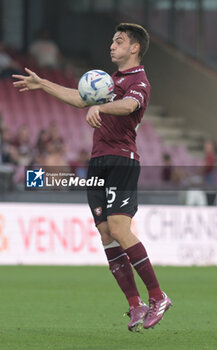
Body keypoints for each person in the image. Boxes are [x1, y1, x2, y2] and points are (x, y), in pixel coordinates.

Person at [12, 23, 172, 332]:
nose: (112, 46)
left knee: (119, 228)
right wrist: (43, 83)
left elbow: (130, 105)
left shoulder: (139, 80)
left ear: (134, 48)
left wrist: (102, 106)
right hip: (98, 161)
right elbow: (80, 99)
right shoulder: (110, 81)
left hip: (121, 160)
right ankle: (134, 304)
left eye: (119, 41)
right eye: (113, 40)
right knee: (105, 233)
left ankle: (158, 297)